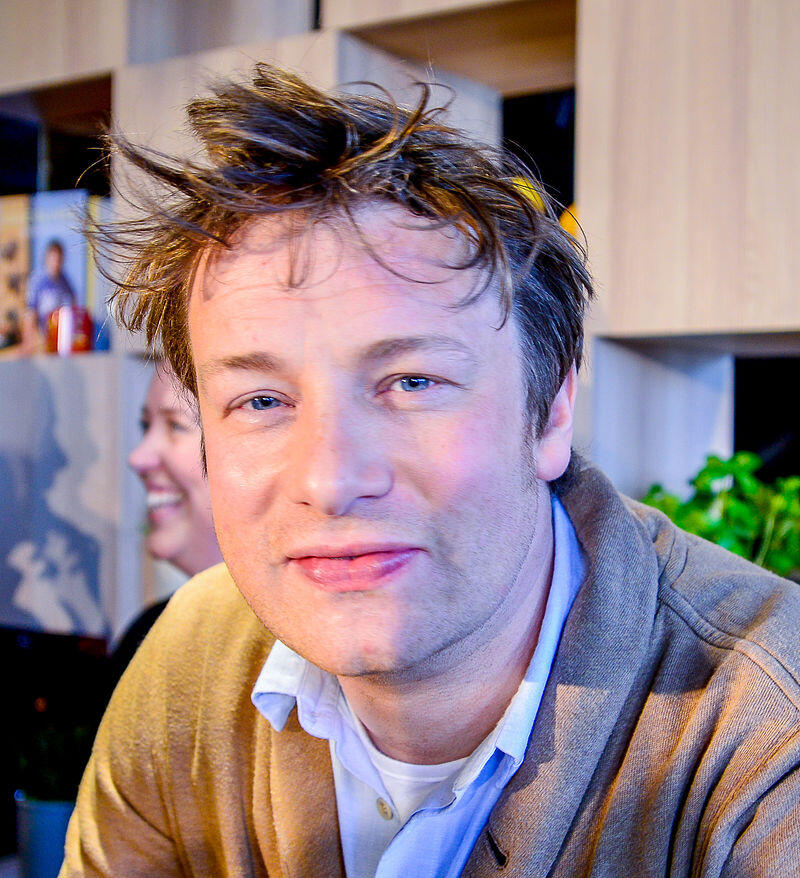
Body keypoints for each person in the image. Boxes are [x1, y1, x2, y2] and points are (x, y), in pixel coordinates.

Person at [61, 65, 800, 877]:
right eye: (262, 400)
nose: (331, 481)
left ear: (552, 410)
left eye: (412, 383)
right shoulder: (192, 659)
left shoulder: (768, 731)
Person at [109, 359, 223, 677]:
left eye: (175, 426)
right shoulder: (151, 637)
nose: (138, 458)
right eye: (146, 426)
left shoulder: (302, 652)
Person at [26, 239, 76, 332]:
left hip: (58, 331)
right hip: (41, 331)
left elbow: (73, 301)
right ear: (47, 259)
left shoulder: (64, 280)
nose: (56, 263)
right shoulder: (38, 280)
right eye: (53, 259)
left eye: (58, 260)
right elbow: (31, 312)